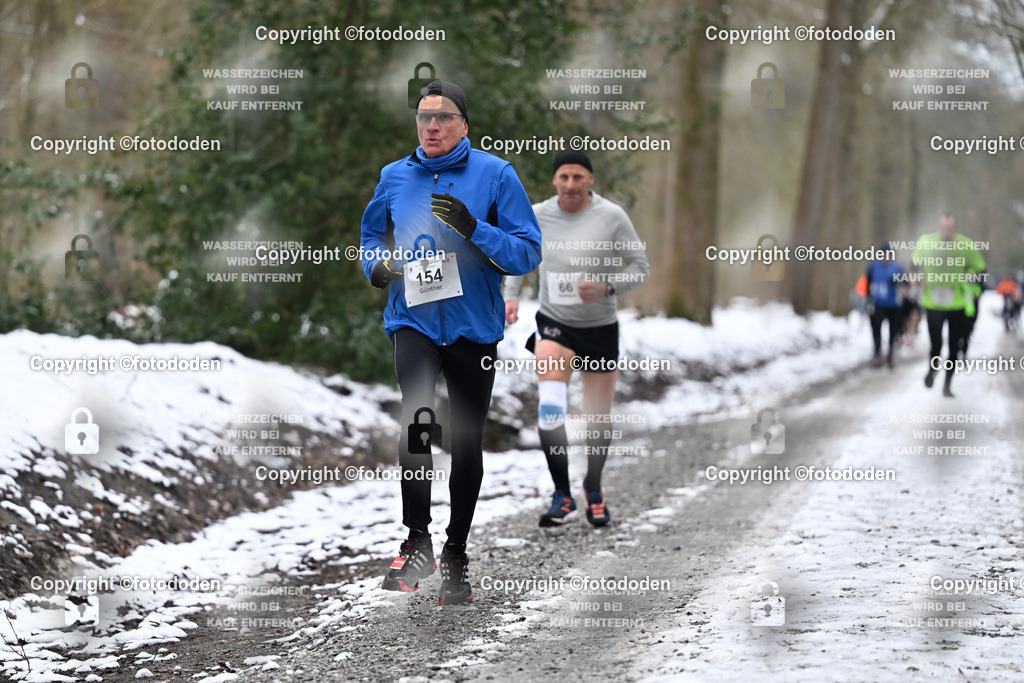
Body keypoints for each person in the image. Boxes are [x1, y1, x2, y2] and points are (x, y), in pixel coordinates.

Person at [360, 80, 542, 605]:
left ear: (464, 124)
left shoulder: (495, 174)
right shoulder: (395, 176)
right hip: (413, 321)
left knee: (464, 440)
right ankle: (416, 540)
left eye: (443, 117)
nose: (432, 126)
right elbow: (372, 237)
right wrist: (377, 266)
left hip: (473, 328)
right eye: (424, 118)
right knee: (416, 419)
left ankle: (456, 552)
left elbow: (527, 252)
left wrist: (475, 229)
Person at [503, 150, 650, 528]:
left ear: (590, 181)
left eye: (578, 178)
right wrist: (511, 296)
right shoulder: (537, 214)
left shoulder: (612, 216)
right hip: (554, 324)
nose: (570, 185)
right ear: (555, 181)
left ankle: (594, 487)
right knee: (551, 408)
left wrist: (607, 287)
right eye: (564, 177)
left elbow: (640, 267)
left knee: (598, 418)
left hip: (600, 327)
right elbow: (519, 255)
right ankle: (561, 494)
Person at [911, 213, 985, 397]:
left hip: (957, 304)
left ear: (955, 228)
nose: (946, 231)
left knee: (954, 346)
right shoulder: (927, 242)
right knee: (936, 344)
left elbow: (981, 269)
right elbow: (914, 263)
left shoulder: (966, 245)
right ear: (939, 226)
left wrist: (972, 280)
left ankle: (947, 384)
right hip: (933, 303)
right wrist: (917, 277)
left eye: (950, 228)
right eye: (943, 227)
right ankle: (932, 369)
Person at [864, 243, 905, 368]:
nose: (885, 257)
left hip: (893, 304)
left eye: (888, 255)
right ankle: (877, 354)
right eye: (883, 255)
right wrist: (868, 297)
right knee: (876, 329)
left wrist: (897, 280)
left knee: (893, 331)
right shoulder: (873, 266)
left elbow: (906, 281)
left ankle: (890, 354)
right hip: (878, 303)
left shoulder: (897, 266)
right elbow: (867, 281)